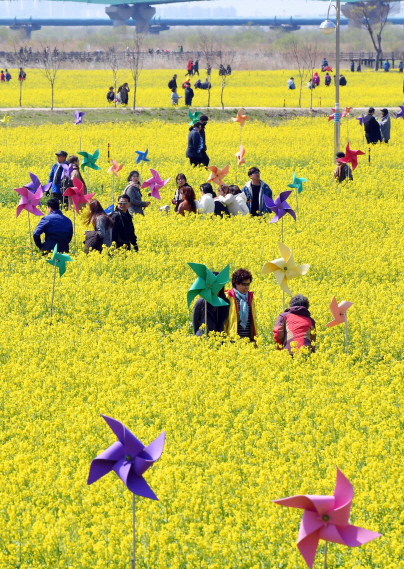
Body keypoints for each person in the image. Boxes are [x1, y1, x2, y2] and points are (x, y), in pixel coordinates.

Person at [192, 272, 229, 336]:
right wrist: (200, 335)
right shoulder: (201, 302)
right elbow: (195, 322)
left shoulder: (225, 302)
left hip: (218, 339)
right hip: (203, 339)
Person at [224, 268, 257, 341]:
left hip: (248, 340)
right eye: (244, 284)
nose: (247, 287)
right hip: (232, 340)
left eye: (248, 284)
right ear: (235, 283)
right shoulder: (228, 297)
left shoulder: (250, 298)